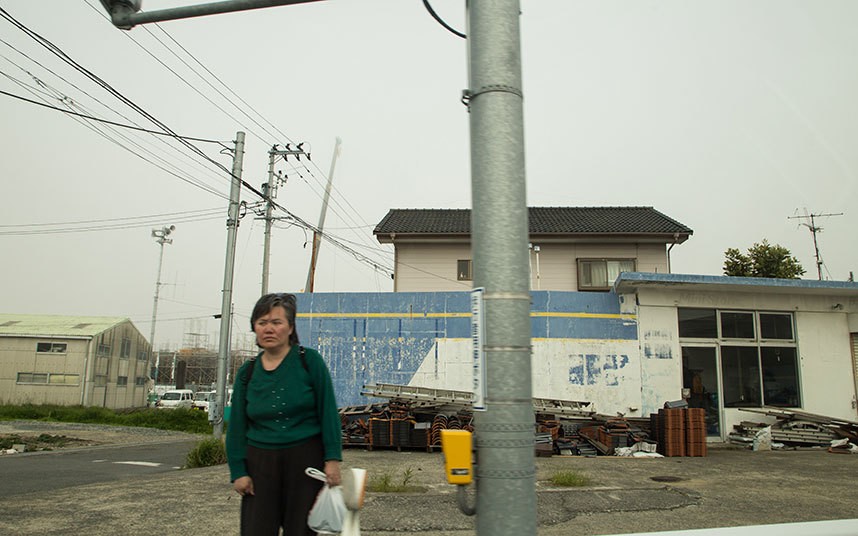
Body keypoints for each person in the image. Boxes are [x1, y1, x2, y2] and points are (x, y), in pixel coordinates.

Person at [227, 292, 342, 535]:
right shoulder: (247, 373)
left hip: (305, 460)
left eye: (276, 322)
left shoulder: (309, 361)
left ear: (290, 327)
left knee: (302, 530)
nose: (269, 329)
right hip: (260, 463)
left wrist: (332, 460)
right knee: (257, 529)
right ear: (255, 328)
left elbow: (328, 413)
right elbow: (237, 426)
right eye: (262, 323)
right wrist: (238, 471)